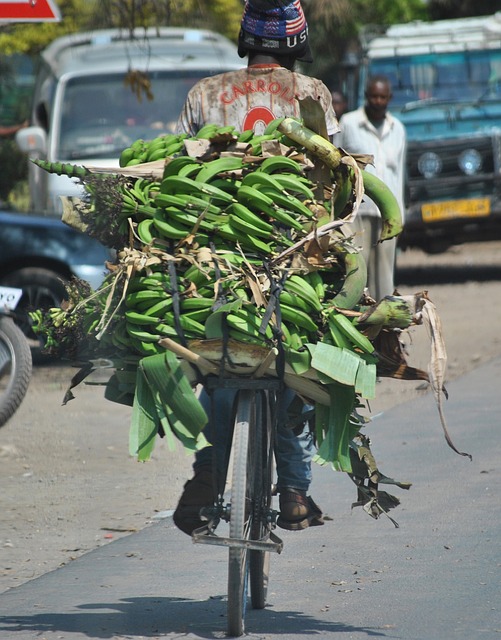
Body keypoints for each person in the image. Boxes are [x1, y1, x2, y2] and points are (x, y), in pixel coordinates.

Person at [173, 0, 339, 536]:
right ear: (297, 43)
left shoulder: (203, 95)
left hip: (214, 260)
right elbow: (330, 182)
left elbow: (175, 171)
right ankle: (293, 490)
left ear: (246, 40)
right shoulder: (310, 95)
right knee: (299, 369)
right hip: (291, 258)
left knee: (216, 365)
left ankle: (206, 474)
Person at [334, 75, 406, 301]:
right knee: (357, 269)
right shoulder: (349, 123)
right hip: (358, 211)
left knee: (384, 275)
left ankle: (384, 327)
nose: (378, 101)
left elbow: (400, 175)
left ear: (389, 98)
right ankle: (357, 320)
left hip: (387, 215)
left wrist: (400, 216)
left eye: (383, 97)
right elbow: (337, 163)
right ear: (366, 97)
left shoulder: (398, 129)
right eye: (374, 96)